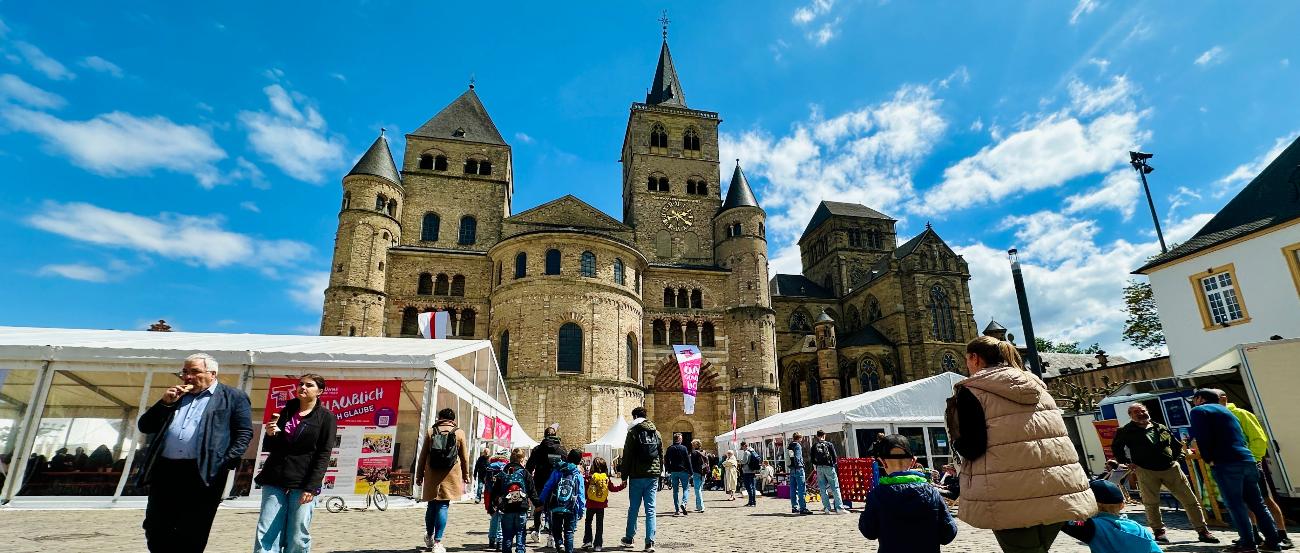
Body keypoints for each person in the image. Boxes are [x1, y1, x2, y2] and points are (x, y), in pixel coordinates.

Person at [945, 336, 1096, 553]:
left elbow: (972, 447)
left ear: (975, 358)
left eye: (966, 360)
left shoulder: (972, 391)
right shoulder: (1038, 387)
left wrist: (956, 444)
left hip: (1009, 493)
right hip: (1059, 490)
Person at [136, 353, 252, 553]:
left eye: (194, 372)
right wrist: (164, 403)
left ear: (212, 373)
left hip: (205, 471)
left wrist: (224, 462)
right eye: (185, 372)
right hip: (167, 469)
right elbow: (145, 426)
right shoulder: (176, 397)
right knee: (156, 525)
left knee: (193, 529)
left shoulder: (233, 396)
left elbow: (244, 433)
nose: (187, 377)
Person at [1189, 389, 1283, 553]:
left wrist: (1208, 459)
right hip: (1247, 460)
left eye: (1194, 400)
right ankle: (1273, 542)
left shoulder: (1199, 410)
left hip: (1226, 462)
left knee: (1236, 505)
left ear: (1199, 399)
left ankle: (1247, 544)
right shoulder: (1227, 411)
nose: (1193, 403)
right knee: (1258, 504)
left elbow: (1202, 437)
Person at [1109, 402, 1218, 543]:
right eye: (1136, 412)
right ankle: (1159, 532)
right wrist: (1126, 462)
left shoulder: (1160, 427)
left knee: (1190, 501)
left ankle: (1203, 531)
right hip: (1146, 470)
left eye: (1142, 410)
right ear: (1130, 416)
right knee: (1151, 503)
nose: (1141, 414)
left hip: (1171, 469)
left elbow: (1175, 444)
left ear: (1147, 411)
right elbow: (1116, 447)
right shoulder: (1125, 431)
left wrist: (1178, 458)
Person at [253, 373, 338, 553]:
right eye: (301, 384)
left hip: (303, 481)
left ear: (320, 391)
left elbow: (324, 453)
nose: (303, 388)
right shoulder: (287, 409)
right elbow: (273, 446)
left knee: (298, 533)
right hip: (275, 476)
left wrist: (312, 486)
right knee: (266, 530)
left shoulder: (326, 417)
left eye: (309, 385)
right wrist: (271, 434)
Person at [1216, 389, 1294, 548]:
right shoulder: (1217, 417)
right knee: (1245, 501)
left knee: (1264, 500)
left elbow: (1259, 438)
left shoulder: (1241, 414)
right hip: (1234, 466)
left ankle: (1282, 534)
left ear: (1223, 399)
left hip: (1249, 463)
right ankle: (1254, 534)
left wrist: (1253, 460)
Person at [859, 434, 957, 553]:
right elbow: (948, 533)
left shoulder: (877, 495)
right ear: (913, 462)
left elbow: (869, 532)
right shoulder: (932, 493)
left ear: (882, 462)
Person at [416, 407, 471, 553]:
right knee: (443, 506)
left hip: (432, 473)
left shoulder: (430, 432)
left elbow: (422, 457)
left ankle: (429, 535)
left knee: (431, 506)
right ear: (453, 420)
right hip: (450, 474)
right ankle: (438, 542)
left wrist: (419, 475)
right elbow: (465, 458)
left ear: (439, 418)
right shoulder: (459, 433)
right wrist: (466, 475)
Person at [1061, 479, 1161, 553]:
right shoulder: (1139, 528)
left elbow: (1065, 522)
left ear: (1091, 504)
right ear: (1122, 505)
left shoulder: (1092, 526)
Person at [619, 406, 662, 553]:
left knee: (634, 508)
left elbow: (627, 456)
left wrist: (624, 476)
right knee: (651, 509)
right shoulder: (657, 433)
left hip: (637, 475)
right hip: (653, 476)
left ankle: (629, 538)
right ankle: (650, 542)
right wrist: (660, 473)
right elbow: (660, 455)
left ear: (635, 417)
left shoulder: (633, 433)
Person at [492, 447, 540, 553]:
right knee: (520, 534)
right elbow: (532, 491)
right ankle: (520, 550)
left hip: (507, 508)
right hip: (521, 507)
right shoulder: (525, 473)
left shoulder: (503, 473)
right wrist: (538, 505)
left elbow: (495, 491)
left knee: (507, 536)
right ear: (522, 460)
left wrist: (495, 504)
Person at [541, 449, 586, 553]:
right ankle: (569, 551)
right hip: (571, 506)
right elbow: (580, 493)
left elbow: (548, 486)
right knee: (569, 531)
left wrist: (541, 500)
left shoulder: (558, 470)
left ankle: (560, 544)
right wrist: (581, 509)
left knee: (556, 529)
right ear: (579, 461)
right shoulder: (577, 473)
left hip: (556, 505)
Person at [526, 425, 565, 544]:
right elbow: (565, 466)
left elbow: (529, 467)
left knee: (539, 507)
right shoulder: (561, 450)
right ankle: (551, 537)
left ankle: (537, 531)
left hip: (539, 482)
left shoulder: (537, 449)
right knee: (553, 509)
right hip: (555, 483)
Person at [583, 456, 625, 551]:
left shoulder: (590, 477)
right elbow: (613, 488)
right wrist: (622, 486)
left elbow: (585, 490)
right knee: (599, 524)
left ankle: (587, 541)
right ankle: (598, 545)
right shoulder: (606, 478)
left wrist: (585, 498)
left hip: (590, 504)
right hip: (601, 505)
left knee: (588, 521)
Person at [811, 430, 845, 514]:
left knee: (822, 488)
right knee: (835, 487)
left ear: (817, 436)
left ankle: (827, 508)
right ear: (824, 435)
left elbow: (812, 459)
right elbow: (834, 456)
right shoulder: (829, 444)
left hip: (819, 468)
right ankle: (839, 508)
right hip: (829, 467)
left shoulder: (814, 446)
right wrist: (832, 464)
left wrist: (817, 464)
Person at [483, 453, 508, 548]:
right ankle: (500, 541)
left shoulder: (490, 466)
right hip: (502, 496)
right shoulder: (506, 466)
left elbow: (486, 482)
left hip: (491, 495)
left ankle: (491, 539)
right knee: (501, 519)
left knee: (493, 518)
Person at [663, 432, 691, 517]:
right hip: (683, 471)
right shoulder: (684, 448)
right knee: (685, 489)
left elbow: (666, 460)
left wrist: (668, 469)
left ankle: (677, 510)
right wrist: (690, 471)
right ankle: (683, 503)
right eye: (681, 438)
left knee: (675, 491)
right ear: (679, 439)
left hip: (674, 472)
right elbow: (687, 460)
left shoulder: (669, 448)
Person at [787, 432, 811, 515]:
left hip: (792, 468)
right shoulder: (797, 445)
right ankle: (803, 508)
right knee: (801, 488)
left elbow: (790, 457)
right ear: (799, 438)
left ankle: (794, 507)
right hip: (798, 468)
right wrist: (800, 465)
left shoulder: (790, 445)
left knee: (793, 489)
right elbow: (797, 457)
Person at [688, 439, 708, 512]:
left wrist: (690, 472)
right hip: (704, 472)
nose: (692, 446)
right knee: (699, 489)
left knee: (697, 490)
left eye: (693, 444)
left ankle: (701, 506)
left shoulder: (693, 453)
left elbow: (691, 464)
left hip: (696, 472)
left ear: (695, 445)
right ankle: (698, 505)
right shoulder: (704, 452)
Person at [737, 441, 759, 506]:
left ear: (744, 446)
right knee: (753, 486)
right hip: (752, 471)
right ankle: (753, 502)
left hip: (747, 471)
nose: (741, 448)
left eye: (741, 447)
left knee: (749, 487)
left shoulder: (746, 452)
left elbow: (744, 461)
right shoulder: (752, 451)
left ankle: (751, 502)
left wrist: (739, 461)